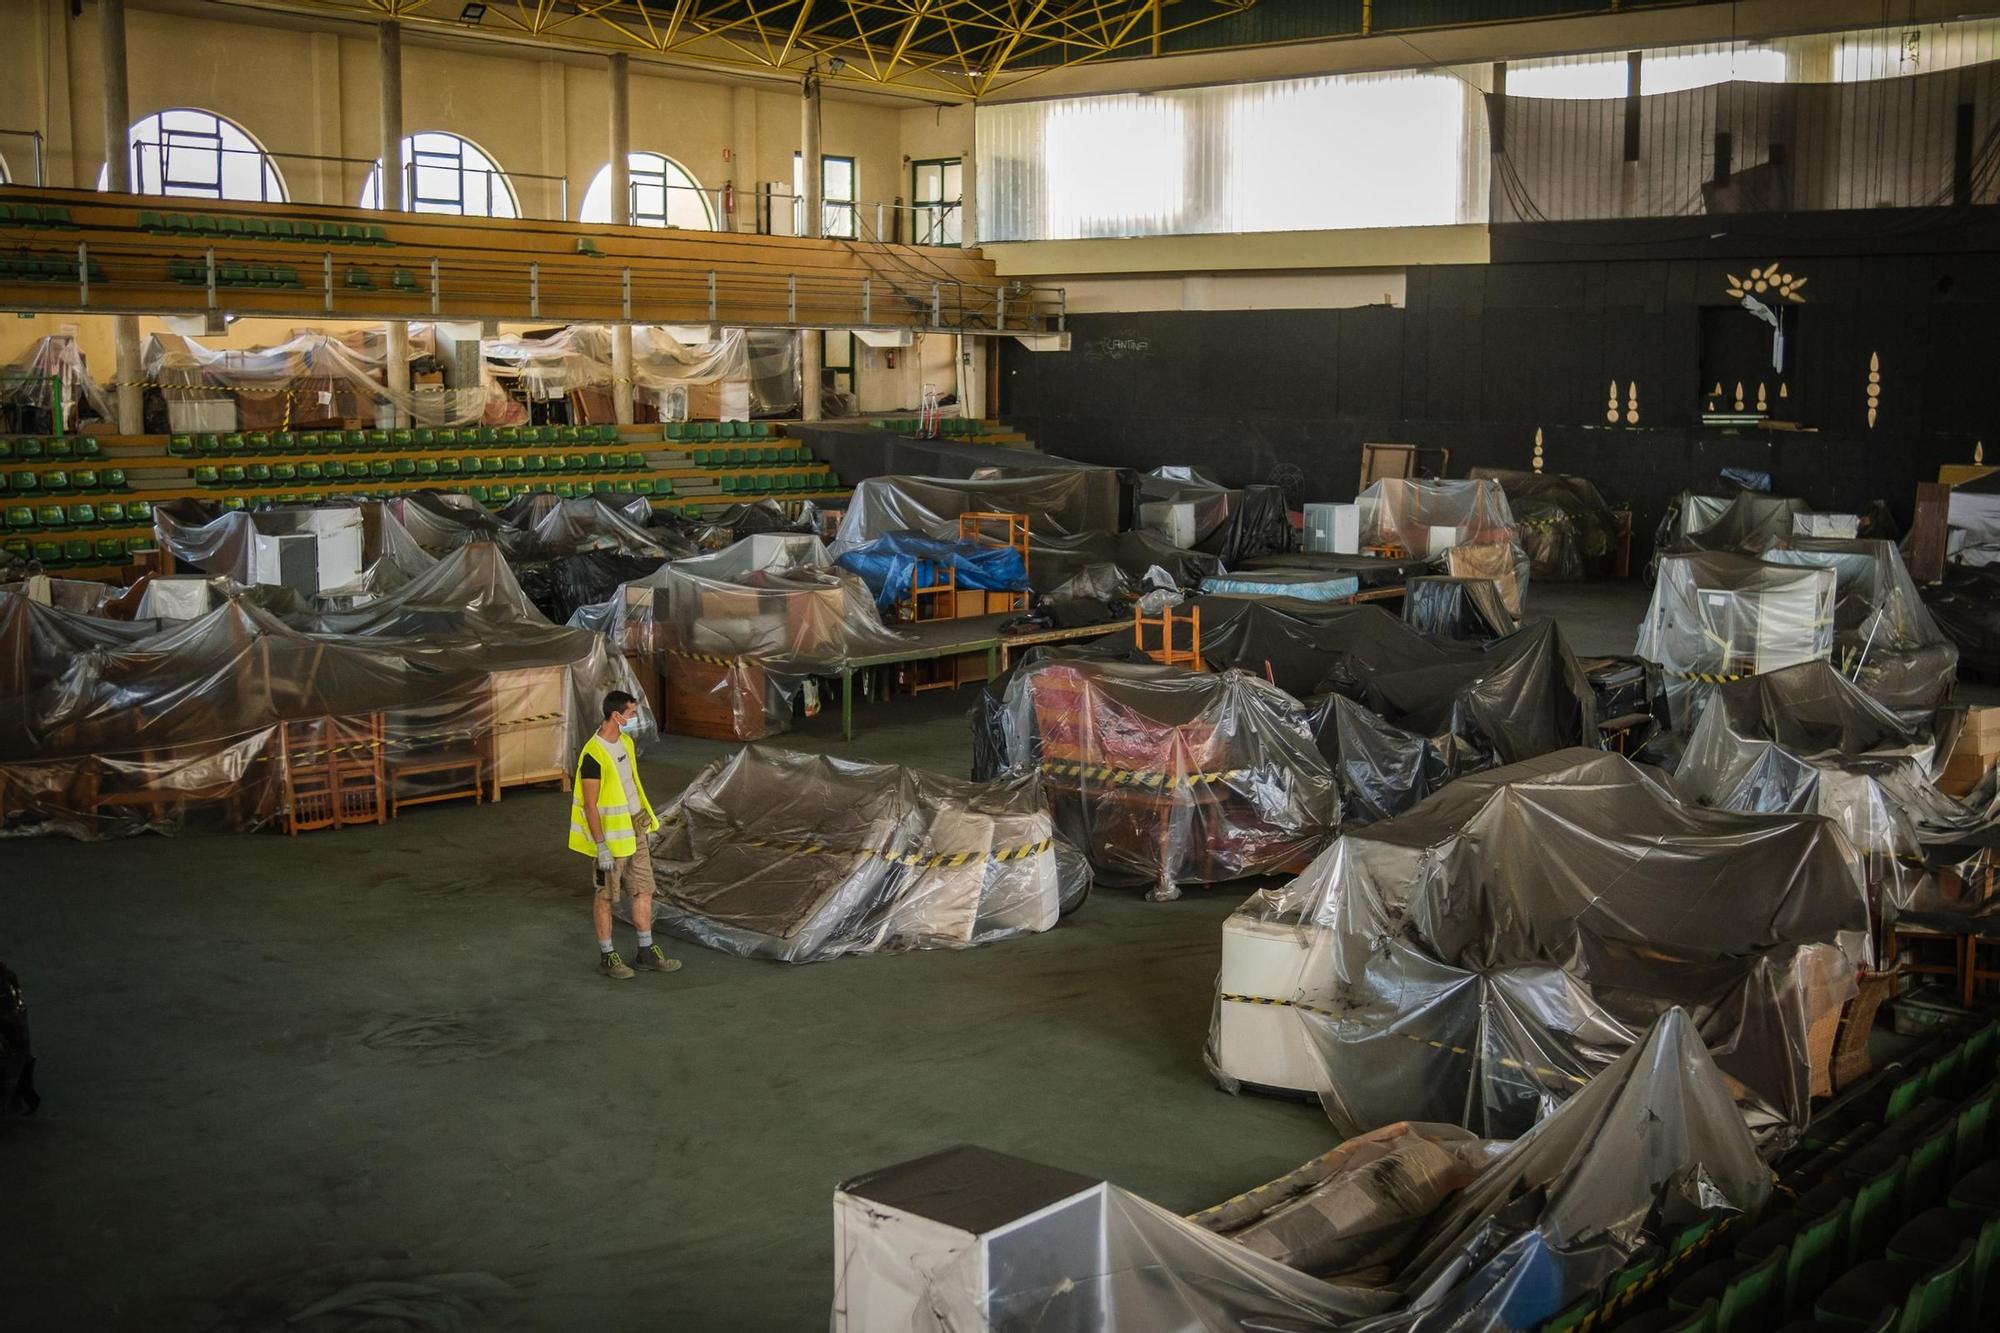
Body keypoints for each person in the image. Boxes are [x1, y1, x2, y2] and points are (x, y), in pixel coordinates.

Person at [570, 690, 681, 980]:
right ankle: (608, 956)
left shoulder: (626, 743)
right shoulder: (593, 755)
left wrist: (643, 821)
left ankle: (646, 951)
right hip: (610, 839)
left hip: (635, 831)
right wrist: (601, 846)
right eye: (631, 713)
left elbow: (631, 785)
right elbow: (589, 805)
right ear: (616, 716)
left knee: (643, 888)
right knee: (606, 895)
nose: (635, 717)